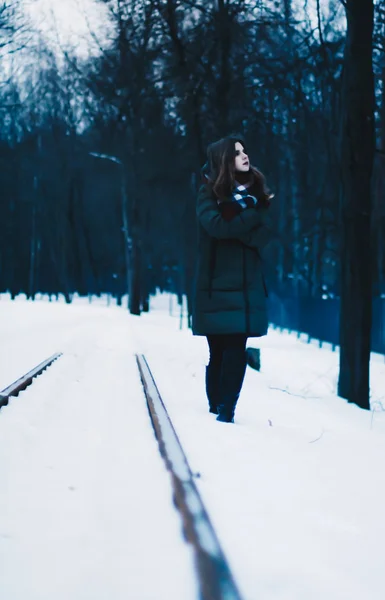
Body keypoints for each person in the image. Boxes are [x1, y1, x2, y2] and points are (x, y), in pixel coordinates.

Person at [192, 134, 275, 423]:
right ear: (225, 161)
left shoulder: (257, 194)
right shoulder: (207, 194)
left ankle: (228, 409)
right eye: (237, 152)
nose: (244, 155)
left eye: (245, 150)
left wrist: (241, 216)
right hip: (215, 285)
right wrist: (249, 213)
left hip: (245, 285)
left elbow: (264, 235)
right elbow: (216, 227)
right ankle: (216, 404)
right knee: (218, 351)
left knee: (236, 348)